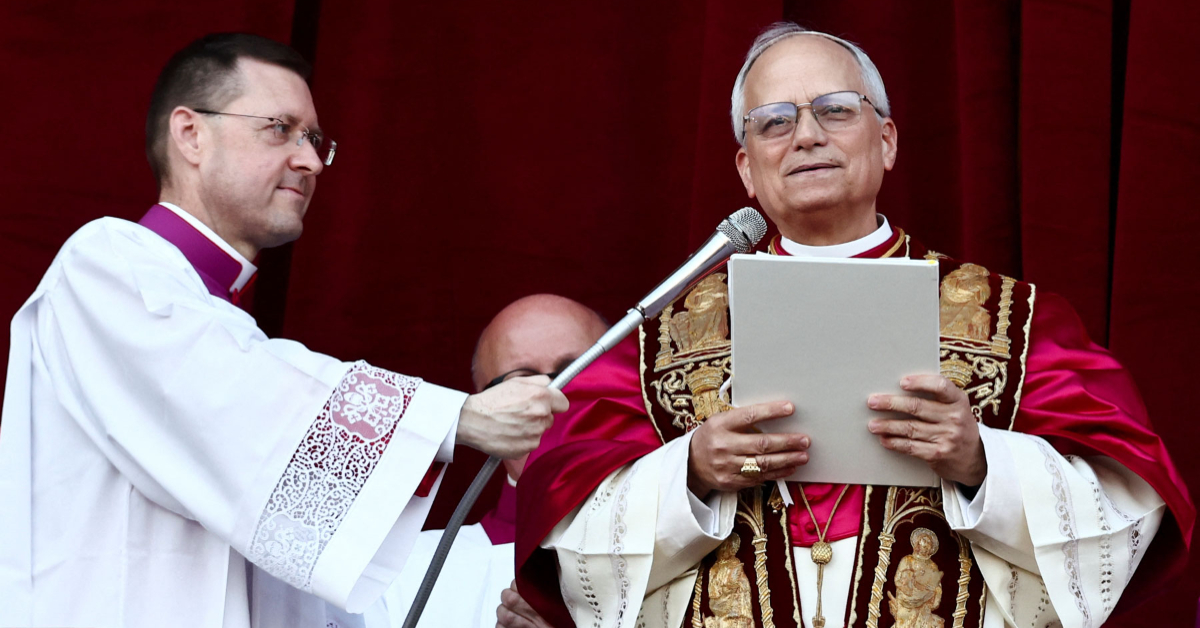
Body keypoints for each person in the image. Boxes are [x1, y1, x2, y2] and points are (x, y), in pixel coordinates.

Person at [510, 23, 1194, 628]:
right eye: (774, 121)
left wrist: (981, 461)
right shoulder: (661, 336)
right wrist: (689, 473)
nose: (807, 135)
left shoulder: (1009, 319)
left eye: (836, 110)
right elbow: (566, 521)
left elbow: (1127, 506)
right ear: (746, 169)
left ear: (887, 140)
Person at [0, 33, 567, 628]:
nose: (310, 160)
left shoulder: (217, 318)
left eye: (316, 140)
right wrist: (455, 418)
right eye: (279, 129)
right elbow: (227, 393)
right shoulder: (106, 264)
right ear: (191, 134)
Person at [366, 294, 606, 627]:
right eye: (523, 380)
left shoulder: (687, 543)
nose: (553, 396)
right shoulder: (401, 574)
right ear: (487, 407)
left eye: (577, 371)